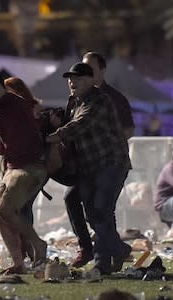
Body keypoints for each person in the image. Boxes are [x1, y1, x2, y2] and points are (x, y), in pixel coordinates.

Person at [46, 62, 132, 275]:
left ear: (91, 80)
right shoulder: (75, 102)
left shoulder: (100, 100)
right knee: (93, 214)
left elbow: (80, 125)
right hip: (88, 167)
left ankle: (102, 262)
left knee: (100, 211)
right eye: (69, 79)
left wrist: (51, 137)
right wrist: (56, 124)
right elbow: (71, 128)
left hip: (110, 163)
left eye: (77, 78)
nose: (71, 82)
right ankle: (118, 249)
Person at [0, 72, 47, 274]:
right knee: (2, 213)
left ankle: (37, 245)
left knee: (4, 211)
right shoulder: (20, 101)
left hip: (22, 168)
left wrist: (0, 145)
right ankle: (19, 263)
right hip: (35, 166)